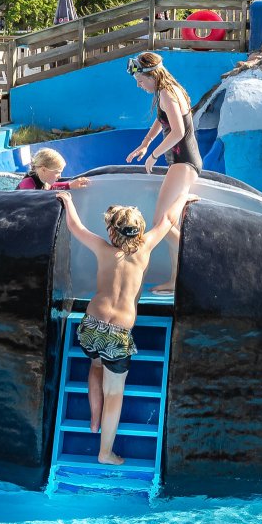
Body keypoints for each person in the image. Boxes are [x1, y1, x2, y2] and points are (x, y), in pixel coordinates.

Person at [56, 191, 198, 465]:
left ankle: (94, 420)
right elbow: (169, 218)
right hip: (118, 334)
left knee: (95, 366)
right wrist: (182, 197)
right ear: (140, 231)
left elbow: (76, 227)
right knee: (114, 392)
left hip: (91, 325)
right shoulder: (145, 248)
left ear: (112, 232)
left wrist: (67, 200)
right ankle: (105, 452)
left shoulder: (102, 248)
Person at [125, 52, 201, 294]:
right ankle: (176, 279)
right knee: (169, 223)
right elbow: (162, 121)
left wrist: (154, 154)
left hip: (183, 162)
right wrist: (145, 143)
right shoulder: (166, 90)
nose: (138, 86)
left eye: (140, 81)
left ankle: (190, 267)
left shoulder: (167, 93)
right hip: (183, 163)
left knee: (162, 223)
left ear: (151, 75)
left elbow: (177, 132)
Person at [16, 147, 91, 190]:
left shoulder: (43, 180)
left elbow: (51, 187)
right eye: (57, 172)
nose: (60, 176)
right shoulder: (27, 184)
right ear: (43, 170)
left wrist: (70, 185)